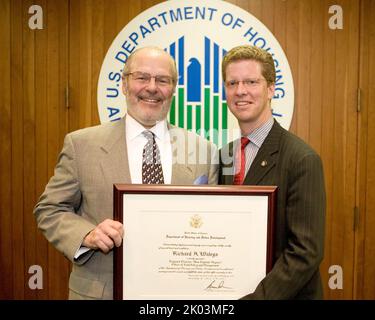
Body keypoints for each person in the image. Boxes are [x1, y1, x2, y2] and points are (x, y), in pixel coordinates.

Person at [34, 46, 218, 299]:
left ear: (174, 88)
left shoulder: (204, 151)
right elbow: (49, 209)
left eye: (162, 80)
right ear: (124, 83)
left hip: (179, 295)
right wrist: (86, 235)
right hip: (101, 292)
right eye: (141, 77)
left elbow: (213, 225)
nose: (152, 87)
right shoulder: (81, 145)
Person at [219, 45, 326, 299]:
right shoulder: (224, 155)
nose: (240, 91)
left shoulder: (302, 159)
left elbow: (305, 252)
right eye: (232, 83)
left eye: (251, 82)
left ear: (270, 89)